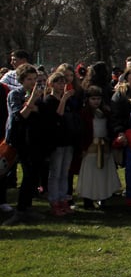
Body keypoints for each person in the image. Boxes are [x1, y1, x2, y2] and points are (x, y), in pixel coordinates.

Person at [3, 63, 54, 226]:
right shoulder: (15, 94)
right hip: (21, 139)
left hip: (36, 138)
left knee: (34, 175)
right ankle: (20, 210)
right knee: (25, 173)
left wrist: (32, 105)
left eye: (35, 79)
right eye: (29, 79)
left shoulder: (40, 95)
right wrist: (31, 101)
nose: (33, 82)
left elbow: (42, 114)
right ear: (22, 80)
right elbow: (20, 116)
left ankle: (27, 207)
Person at [76, 86, 121, 210]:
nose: (96, 101)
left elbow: (110, 128)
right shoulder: (84, 114)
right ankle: (88, 199)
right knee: (89, 175)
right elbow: (82, 132)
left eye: (98, 99)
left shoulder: (105, 112)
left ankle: (103, 197)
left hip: (104, 146)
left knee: (103, 174)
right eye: (93, 99)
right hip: (90, 148)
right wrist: (83, 147)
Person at [45, 70, 79, 215]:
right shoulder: (49, 100)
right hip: (56, 142)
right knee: (55, 172)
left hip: (68, 140)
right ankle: (54, 201)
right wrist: (63, 99)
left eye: (63, 82)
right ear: (51, 84)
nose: (61, 85)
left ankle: (63, 199)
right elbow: (58, 115)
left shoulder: (69, 101)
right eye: (58, 82)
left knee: (65, 172)